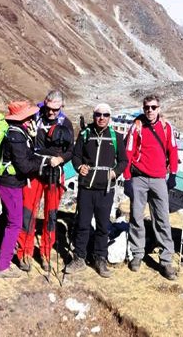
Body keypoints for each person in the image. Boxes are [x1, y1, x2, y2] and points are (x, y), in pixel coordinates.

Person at [0, 101, 59, 278]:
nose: (34, 117)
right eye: (31, 115)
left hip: (5, 180)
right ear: (24, 117)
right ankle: (2, 265)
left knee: (7, 216)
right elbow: (24, 165)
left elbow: (25, 157)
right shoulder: (16, 136)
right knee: (15, 223)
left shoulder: (16, 131)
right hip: (10, 183)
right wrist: (44, 162)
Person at [65, 103, 128, 277]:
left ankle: (100, 258)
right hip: (86, 187)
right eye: (98, 115)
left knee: (102, 226)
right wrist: (79, 167)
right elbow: (76, 156)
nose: (101, 118)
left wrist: (115, 172)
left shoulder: (116, 137)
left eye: (105, 115)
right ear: (93, 116)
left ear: (110, 117)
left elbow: (123, 160)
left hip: (106, 189)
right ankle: (79, 258)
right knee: (83, 224)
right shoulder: (85, 134)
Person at [124, 94, 181, 280]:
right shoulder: (137, 126)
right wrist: (126, 179)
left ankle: (166, 260)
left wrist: (173, 173)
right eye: (147, 107)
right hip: (139, 178)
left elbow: (173, 150)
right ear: (143, 108)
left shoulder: (166, 127)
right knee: (136, 217)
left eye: (153, 107)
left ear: (159, 108)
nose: (150, 110)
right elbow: (129, 152)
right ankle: (137, 254)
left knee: (162, 218)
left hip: (159, 179)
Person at [19, 90, 75, 273]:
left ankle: (45, 254)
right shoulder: (34, 116)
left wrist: (61, 160)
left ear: (61, 107)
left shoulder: (65, 123)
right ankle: (24, 253)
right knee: (28, 212)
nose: (50, 113)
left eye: (55, 110)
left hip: (54, 172)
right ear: (44, 103)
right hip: (34, 171)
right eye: (49, 109)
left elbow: (70, 150)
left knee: (50, 216)